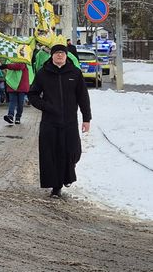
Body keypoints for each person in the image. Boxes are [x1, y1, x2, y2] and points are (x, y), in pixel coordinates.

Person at [28, 43, 92, 198]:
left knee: (73, 151)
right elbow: (33, 95)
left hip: (69, 121)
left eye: (62, 53)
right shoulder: (43, 73)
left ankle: (68, 174)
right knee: (52, 154)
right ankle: (56, 187)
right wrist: (46, 106)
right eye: (57, 53)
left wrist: (86, 118)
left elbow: (83, 96)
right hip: (50, 122)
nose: (59, 55)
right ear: (52, 55)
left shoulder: (75, 73)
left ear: (66, 55)